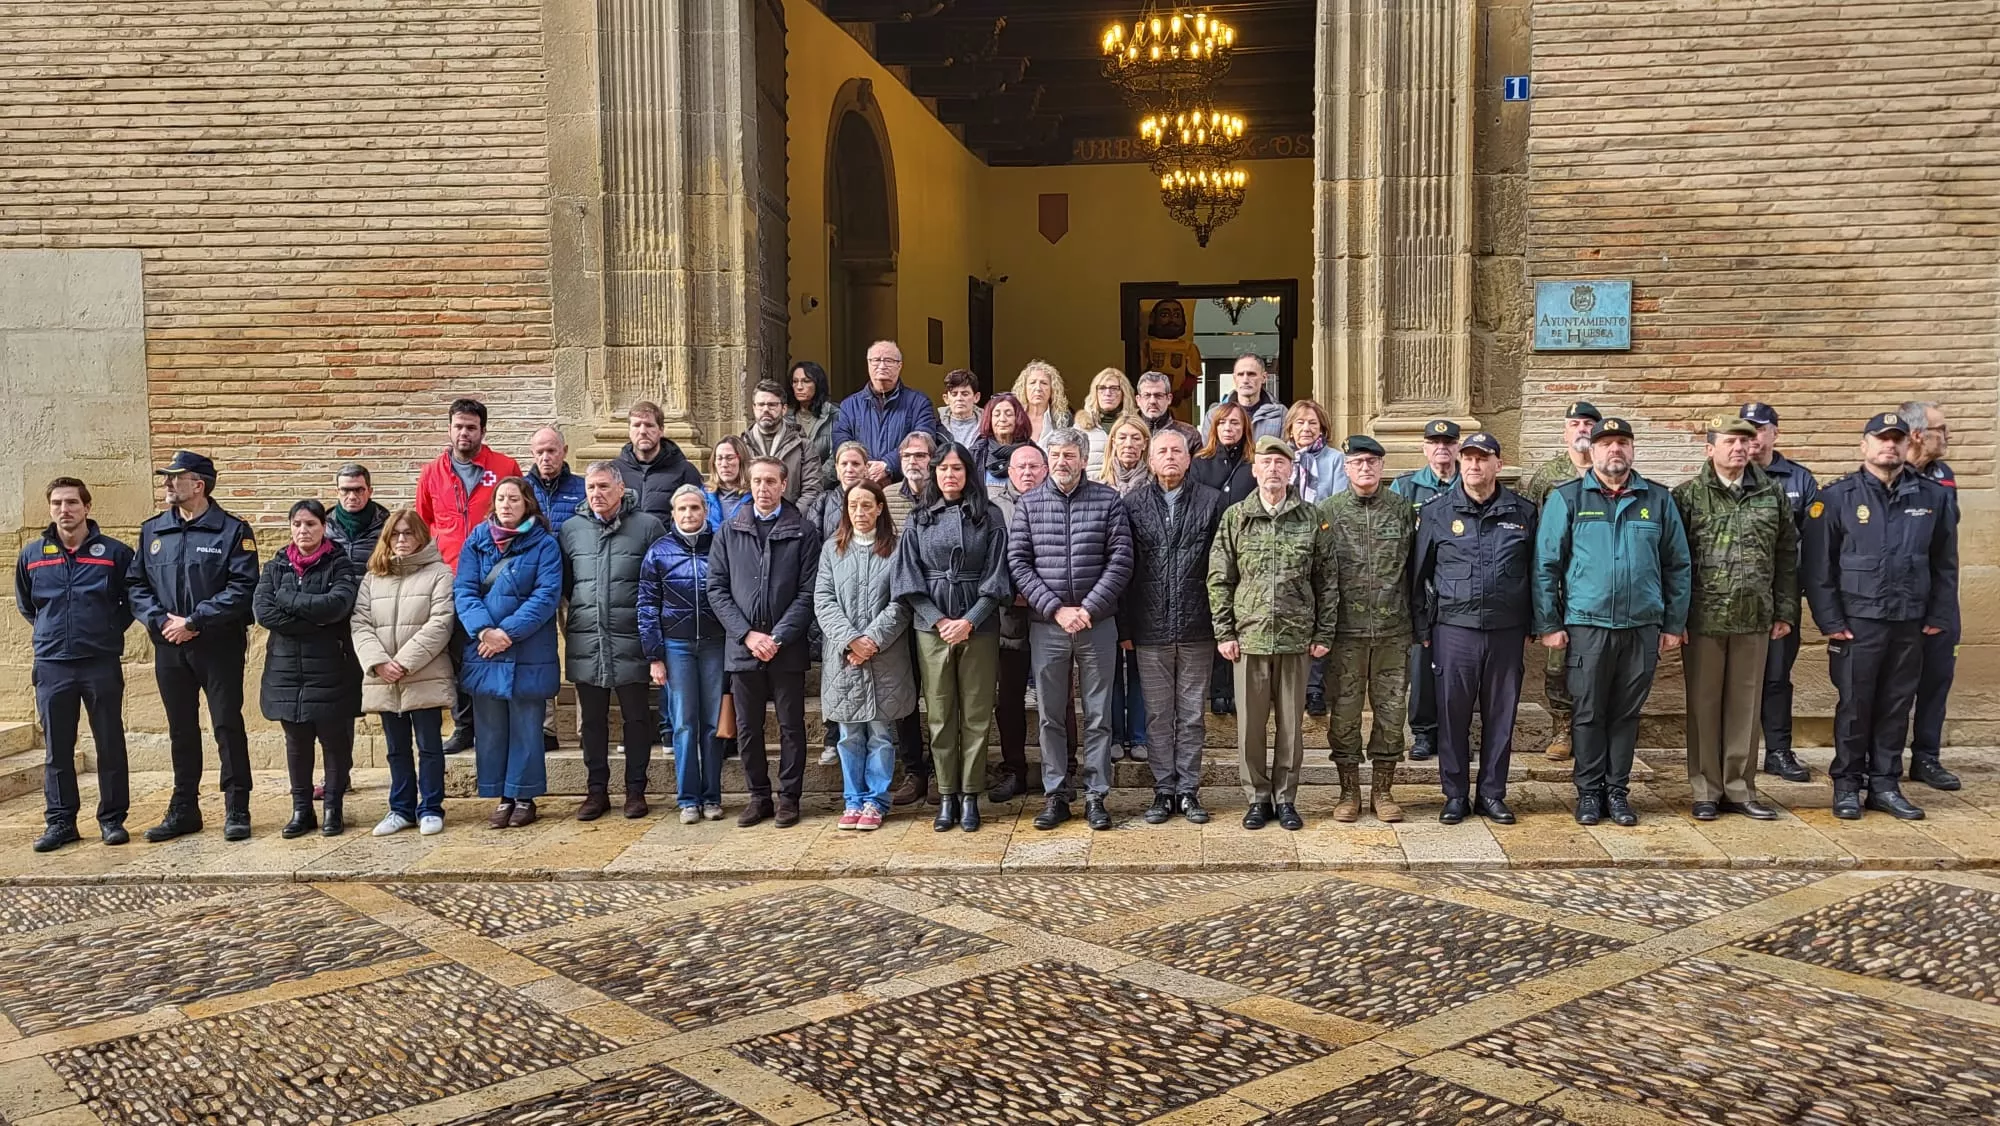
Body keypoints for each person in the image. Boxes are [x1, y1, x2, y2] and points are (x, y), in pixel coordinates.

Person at [1534, 417, 1692, 828]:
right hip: (1587, 626)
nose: (1615, 450)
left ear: (1632, 450)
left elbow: (1678, 564)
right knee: (1587, 713)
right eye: (1607, 444)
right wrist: (1549, 622)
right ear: (1593, 450)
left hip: (1641, 627)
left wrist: (1673, 623)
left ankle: (1618, 793)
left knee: (1626, 714)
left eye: (1623, 443)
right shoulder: (1568, 498)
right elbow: (1546, 564)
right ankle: (1588, 793)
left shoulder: (1656, 499)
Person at [1803, 411, 1957, 822]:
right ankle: (1848, 785)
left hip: (1909, 620)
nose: (1889, 446)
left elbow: (1945, 562)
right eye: (1881, 439)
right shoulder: (1836, 498)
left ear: (1909, 446)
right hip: (1858, 623)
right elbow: (1818, 568)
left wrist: (1938, 613)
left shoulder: (1932, 497)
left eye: (1897, 439)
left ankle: (1886, 785)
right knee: (1855, 705)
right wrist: (1832, 622)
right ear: (1864, 446)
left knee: (1896, 705)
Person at [128, 451, 259, 843]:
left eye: (175, 478)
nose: (167, 484)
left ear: (198, 484)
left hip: (217, 644)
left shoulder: (232, 530)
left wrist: (195, 620)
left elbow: (242, 588)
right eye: (167, 478)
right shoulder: (153, 531)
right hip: (170, 645)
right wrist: (161, 621)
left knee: (226, 724)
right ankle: (184, 807)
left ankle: (238, 806)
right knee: (180, 729)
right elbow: (135, 585)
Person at [1672, 417, 1797, 822]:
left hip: (1754, 617)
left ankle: (1740, 788)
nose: (1740, 448)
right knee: (1704, 706)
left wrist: (1785, 610)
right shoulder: (1688, 497)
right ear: (1710, 449)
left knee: (1746, 707)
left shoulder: (1771, 494)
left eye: (1746, 441)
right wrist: (1676, 617)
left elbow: (1786, 556)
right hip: (1704, 618)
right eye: (1730, 441)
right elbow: (1674, 562)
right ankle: (1706, 789)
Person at [1009, 427, 1134, 831]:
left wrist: (1089, 608)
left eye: (1069, 455)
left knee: (1097, 714)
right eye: (1056, 455)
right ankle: (1056, 794)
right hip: (1048, 626)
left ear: (1083, 459)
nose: (1062, 462)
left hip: (1097, 624)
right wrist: (1056, 609)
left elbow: (1121, 561)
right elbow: (1019, 564)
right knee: (1051, 715)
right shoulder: (1029, 505)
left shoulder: (1107, 500)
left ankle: (1097, 795)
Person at [1208, 436, 1336, 832]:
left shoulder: (1312, 518)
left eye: (1282, 463)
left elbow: (1328, 580)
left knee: (1291, 728)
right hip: (1249, 638)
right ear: (1255, 470)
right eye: (1267, 463)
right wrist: (1224, 631)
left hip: (1297, 637)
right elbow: (1219, 578)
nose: (1274, 470)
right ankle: (1257, 797)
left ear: (1291, 470)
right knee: (1249, 726)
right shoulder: (1236, 517)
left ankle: (1286, 797)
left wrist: (1324, 631)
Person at [1411, 432, 1534, 825]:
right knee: (1452, 715)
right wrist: (1422, 627)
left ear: (1499, 464)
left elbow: (1539, 572)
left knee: (1501, 715)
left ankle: (1493, 794)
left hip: (1506, 629)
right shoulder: (1437, 512)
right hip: (1454, 630)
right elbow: (1418, 575)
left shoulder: (1524, 512)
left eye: (1484, 458)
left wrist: (1537, 621)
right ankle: (1455, 794)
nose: (1475, 465)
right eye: (1469, 458)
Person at [896, 444, 1010, 832]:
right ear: (934, 473)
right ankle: (946, 794)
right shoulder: (919, 518)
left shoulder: (989, 516)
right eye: (943, 468)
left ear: (968, 473)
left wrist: (970, 620)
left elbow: (997, 579)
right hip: (932, 628)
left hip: (978, 626)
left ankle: (971, 795)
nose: (950, 475)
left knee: (976, 715)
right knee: (941, 715)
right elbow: (907, 578)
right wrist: (938, 619)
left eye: (957, 468)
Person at [16, 478, 134, 851]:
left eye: (71, 502)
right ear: (50, 508)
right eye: (56, 503)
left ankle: (112, 819)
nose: (64, 510)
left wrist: (105, 631)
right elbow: (28, 605)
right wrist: (54, 632)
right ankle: (61, 822)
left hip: (99, 661)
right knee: (57, 749)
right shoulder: (33, 554)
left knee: (110, 743)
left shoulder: (115, 553)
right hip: (52, 664)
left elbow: (130, 603)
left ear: (87, 507)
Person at [710, 456, 821, 827]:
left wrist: (778, 636)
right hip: (743, 647)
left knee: (791, 726)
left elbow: (808, 592)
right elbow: (717, 589)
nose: (763, 488)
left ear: (783, 484)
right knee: (748, 727)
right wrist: (747, 634)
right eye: (757, 481)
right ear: (749, 484)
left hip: (786, 648)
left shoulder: (803, 532)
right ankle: (758, 796)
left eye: (771, 481)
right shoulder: (729, 530)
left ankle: (789, 796)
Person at [1121, 429, 1224, 824]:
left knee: (1192, 714)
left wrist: (1221, 624)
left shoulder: (1212, 502)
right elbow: (1125, 570)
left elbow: (1221, 567)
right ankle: (1164, 788)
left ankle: (1189, 790)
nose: (1169, 457)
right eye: (1161, 451)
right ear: (1150, 459)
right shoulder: (1132, 504)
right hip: (1149, 628)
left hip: (1198, 624)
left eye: (1176, 451)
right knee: (1158, 715)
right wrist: (1126, 627)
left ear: (1189, 458)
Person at [415, 399, 524, 755]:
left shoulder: (505, 467)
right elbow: (424, 522)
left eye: (471, 427)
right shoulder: (431, 472)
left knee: (495, 647)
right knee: (457, 652)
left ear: (483, 431)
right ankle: (464, 726)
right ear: (449, 428)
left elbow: (521, 515)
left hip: (497, 576)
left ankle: (500, 725)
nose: (464, 433)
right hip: (449, 577)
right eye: (458, 426)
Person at [455, 477, 563, 829]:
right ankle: (502, 794)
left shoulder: (544, 545)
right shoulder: (477, 540)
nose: (506, 504)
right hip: (485, 647)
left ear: (527, 503)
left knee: (527, 726)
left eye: (514, 499)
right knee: (491, 728)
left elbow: (546, 596)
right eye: (501, 498)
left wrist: (508, 632)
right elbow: (464, 590)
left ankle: (525, 795)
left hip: (527, 648)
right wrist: (484, 629)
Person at [561, 463, 668, 821]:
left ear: (620, 489)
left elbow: (660, 584)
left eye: (604, 486)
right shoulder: (571, 530)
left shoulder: (648, 527)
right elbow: (565, 586)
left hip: (633, 640)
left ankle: (636, 790)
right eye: (591, 487)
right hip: (587, 639)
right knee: (591, 721)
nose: (597, 494)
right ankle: (596, 791)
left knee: (637, 720)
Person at [1318, 435, 1414, 823]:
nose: (1365, 468)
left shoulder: (1402, 510)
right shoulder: (1328, 511)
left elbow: (1415, 568)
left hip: (1393, 629)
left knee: (1391, 713)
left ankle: (1384, 790)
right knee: (1344, 714)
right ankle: (1348, 791)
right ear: (1346, 467)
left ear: (1382, 467)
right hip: (1345, 632)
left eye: (1372, 462)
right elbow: (1321, 574)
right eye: (1357, 462)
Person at [254, 499, 362, 838]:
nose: (304, 530)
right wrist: (315, 622)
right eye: (298, 524)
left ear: (323, 528)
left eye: (311, 524)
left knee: (333, 740)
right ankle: (301, 809)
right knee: (296, 742)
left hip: (331, 667)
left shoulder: (340, 565)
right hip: (286, 670)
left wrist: (289, 601)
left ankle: (333, 808)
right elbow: (263, 613)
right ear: (290, 528)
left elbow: (338, 605)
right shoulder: (275, 567)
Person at [351, 508, 456, 837]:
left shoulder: (439, 574)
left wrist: (404, 662)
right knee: (396, 748)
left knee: (429, 745)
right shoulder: (373, 576)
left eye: (407, 533)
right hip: (386, 678)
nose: (401, 540)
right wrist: (380, 662)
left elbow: (440, 623)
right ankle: (400, 808)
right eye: (395, 534)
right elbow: (360, 622)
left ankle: (431, 807)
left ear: (420, 536)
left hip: (422, 674)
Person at [816, 481, 913, 831]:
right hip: (844, 659)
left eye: (867, 505)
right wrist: (850, 640)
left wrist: (871, 640)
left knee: (881, 734)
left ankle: (876, 799)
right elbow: (823, 600)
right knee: (849, 735)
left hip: (883, 657)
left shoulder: (896, 549)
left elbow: (902, 601)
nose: (860, 512)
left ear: (879, 508)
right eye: (853, 505)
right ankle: (853, 798)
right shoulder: (832, 549)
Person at [987, 442, 1078, 804]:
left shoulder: (1059, 500)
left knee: (1058, 699)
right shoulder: (993, 507)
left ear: (1045, 469)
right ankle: (1014, 770)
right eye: (1019, 467)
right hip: (1008, 616)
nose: (1027, 473)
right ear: (1009, 472)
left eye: (1034, 466)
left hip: (1051, 615)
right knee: (1008, 699)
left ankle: (1065, 769)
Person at [640, 485, 728, 824]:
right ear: (673, 514)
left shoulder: (720, 546)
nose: (689, 515)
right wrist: (654, 656)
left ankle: (712, 796)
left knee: (712, 723)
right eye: (682, 509)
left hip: (713, 645)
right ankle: (688, 798)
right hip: (676, 646)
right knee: (684, 724)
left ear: (705, 511)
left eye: (695, 508)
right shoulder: (659, 552)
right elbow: (647, 605)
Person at [1741, 401, 1819, 784]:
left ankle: (1778, 752)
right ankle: (1735, 756)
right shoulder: (1727, 476)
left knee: (1775, 678)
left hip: (1778, 602)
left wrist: (1788, 603)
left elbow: (1807, 547)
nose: (1752, 438)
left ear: (1775, 432)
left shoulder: (1799, 480)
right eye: (1745, 430)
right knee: (1733, 683)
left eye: (1759, 428)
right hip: (1733, 603)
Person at [1523, 400, 1599, 762]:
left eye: (1587, 423)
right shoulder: (1547, 476)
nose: (1581, 429)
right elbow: (1530, 533)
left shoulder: (1611, 472)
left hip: (1598, 589)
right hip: (1558, 588)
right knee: (1558, 665)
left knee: (1597, 663)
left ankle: (1593, 730)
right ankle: (1562, 728)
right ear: (1565, 431)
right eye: (1575, 424)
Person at [1386, 419, 1462, 753]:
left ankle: (1454, 732)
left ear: (1458, 446)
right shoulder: (1406, 488)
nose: (1441, 448)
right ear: (1424, 447)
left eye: (1448, 442)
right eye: (1435, 442)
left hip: (1459, 586)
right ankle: (1423, 732)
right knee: (1421, 660)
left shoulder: (1470, 482)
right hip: (1420, 587)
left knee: (1459, 665)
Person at [1899, 399, 1961, 792]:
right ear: (1919, 434)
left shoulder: (1944, 476)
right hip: (1897, 602)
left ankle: (1926, 757)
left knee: (1936, 682)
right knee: (1892, 687)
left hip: (1939, 598)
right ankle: (1880, 759)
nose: (1948, 436)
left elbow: (1947, 548)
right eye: (1941, 429)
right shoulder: (1887, 474)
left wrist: (1941, 609)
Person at [1194, 401, 1254, 717]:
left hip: (1246, 555)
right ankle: (1218, 689)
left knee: (1241, 620)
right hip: (1208, 552)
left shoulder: (1254, 465)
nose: (1229, 428)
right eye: (1223, 423)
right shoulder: (1200, 464)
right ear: (1214, 428)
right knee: (1217, 619)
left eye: (1235, 423)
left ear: (1245, 428)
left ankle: (1238, 688)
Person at [832, 340, 940, 486]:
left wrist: (887, 465)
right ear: (868, 364)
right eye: (876, 360)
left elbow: (924, 440)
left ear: (899, 365)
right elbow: (842, 441)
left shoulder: (919, 402)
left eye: (888, 360)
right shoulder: (849, 405)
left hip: (904, 486)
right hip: (860, 486)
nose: (881, 366)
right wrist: (864, 466)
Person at [616, 399, 707, 520]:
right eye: (637, 425)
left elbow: (699, 515)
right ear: (629, 431)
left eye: (649, 425)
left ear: (661, 430)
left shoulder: (684, 471)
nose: (643, 431)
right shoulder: (614, 471)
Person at [744, 379, 824, 507]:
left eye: (772, 405)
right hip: (750, 522)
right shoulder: (741, 446)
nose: (765, 409)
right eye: (760, 404)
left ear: (784, 409)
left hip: (793, 521)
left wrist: (792, 519)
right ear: (753, 408)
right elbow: (734, 490)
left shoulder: (803, 446)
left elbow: (812, 491)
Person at [1200, 353, 1285, 442]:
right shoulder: (1214, 415)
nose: (1245, 380)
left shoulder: (1281, 414)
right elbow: (1208, 452)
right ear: (1234, 378)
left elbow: (1287, 453)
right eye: (1240, 374)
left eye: (1251, 374)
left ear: (1264, 378)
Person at [1139, 298, 1203, 407]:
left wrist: (1181, 392)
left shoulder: (1189, 348)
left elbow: (1192, 376)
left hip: (1178, 404)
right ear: (1153, 319)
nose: (1172, 320)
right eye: (1164, 315)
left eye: (1177, 316)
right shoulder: (1146, 345)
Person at [1077, 367, 1138, 477]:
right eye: (1102, 388)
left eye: (1114, 388)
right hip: (1091, 489)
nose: (1108, 393)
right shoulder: (1081, 427)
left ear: (1124, 392)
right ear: (1095, 392)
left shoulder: (1135, 426)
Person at [1284, 400, 1347, 505]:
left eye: (1312, 423)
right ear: (1290, 429)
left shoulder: (1336, 459)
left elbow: (1339, 504)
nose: (1306, 428)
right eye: (1300, 422)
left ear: (1321, 429)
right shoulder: (1281, 458)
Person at [789, 360, 839, 490]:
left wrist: (814, 485)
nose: (799, 387)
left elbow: (837, 457)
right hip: (791, 490)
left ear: (817, 384)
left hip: (825, 489)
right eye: (795, 381)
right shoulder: (786, 418)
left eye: (806, 381)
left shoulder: (834, 415)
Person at [525, 426, 587, 531]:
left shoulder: (584, 488)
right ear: (533, 454)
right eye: (540, 452)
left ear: (565, 451)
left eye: (551, 451)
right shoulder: (521, 489)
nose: (545, 458)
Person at [327, 463, 388, 568]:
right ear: (336, 492)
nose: (352, 497)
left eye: (359, 490)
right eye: (345, 490)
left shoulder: (387, 525)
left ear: (370, 491)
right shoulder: (324, 526)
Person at [1133, 370, 1202, 449]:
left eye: (1158, 395)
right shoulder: (1124, 433)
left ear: (1169, 399)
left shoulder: (1189, 435)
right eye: (1147, 395)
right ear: (1138, 400)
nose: (1152, 401)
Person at [884, 430, 936, 533]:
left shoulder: (943, 494)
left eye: (920, 455)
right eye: (906, 456)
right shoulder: (887, 495)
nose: (912, 462)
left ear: (933, 459)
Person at [1013, 359, 1073, 445]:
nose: (1038, 388)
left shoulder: (1064, 418)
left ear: (1052, 389)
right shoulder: (1014, 417)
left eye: (1044, 383)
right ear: (1024, 388)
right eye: (1032, 383)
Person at [979, 392, 1029, 486]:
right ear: (989, 419)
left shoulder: (1031, 451)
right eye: (997, 415)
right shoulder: (977, 452)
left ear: (1018, 418)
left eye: (1009, 414)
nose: (1002, 419)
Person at [706, 435, 753, 530]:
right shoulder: (703, 496)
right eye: (719, 458)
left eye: (729, 458)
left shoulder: (755, 498)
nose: (724, 464)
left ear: (742, 460)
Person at [939, 368, 985, 451]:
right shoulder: (937, 428)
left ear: (976, 397)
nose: (959, 398)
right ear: (946, 399)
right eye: (954, 394)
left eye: (965, 394)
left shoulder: (988, 427)